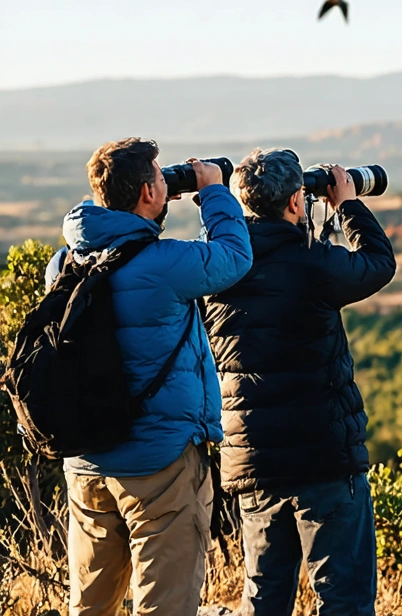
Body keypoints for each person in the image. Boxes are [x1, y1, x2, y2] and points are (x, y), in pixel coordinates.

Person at [54, 138, 252, 616]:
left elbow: (108, 233)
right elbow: (234, 256)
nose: (168, 183)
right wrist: (213, 192)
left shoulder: (66, 264)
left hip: (86, 462)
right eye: (162, 178)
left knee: (91, 605)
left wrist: (143, 204)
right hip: (158, 463)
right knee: (165, 604)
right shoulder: (164, 264)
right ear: (146, 192)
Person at [204, 148, 397, 616]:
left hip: (254, 462)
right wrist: (347, 205)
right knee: (343, 599)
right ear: (297, 203)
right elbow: (378, 263)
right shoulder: (314, 264)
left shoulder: (215, 268)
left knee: (264, 598)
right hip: (324, 459)